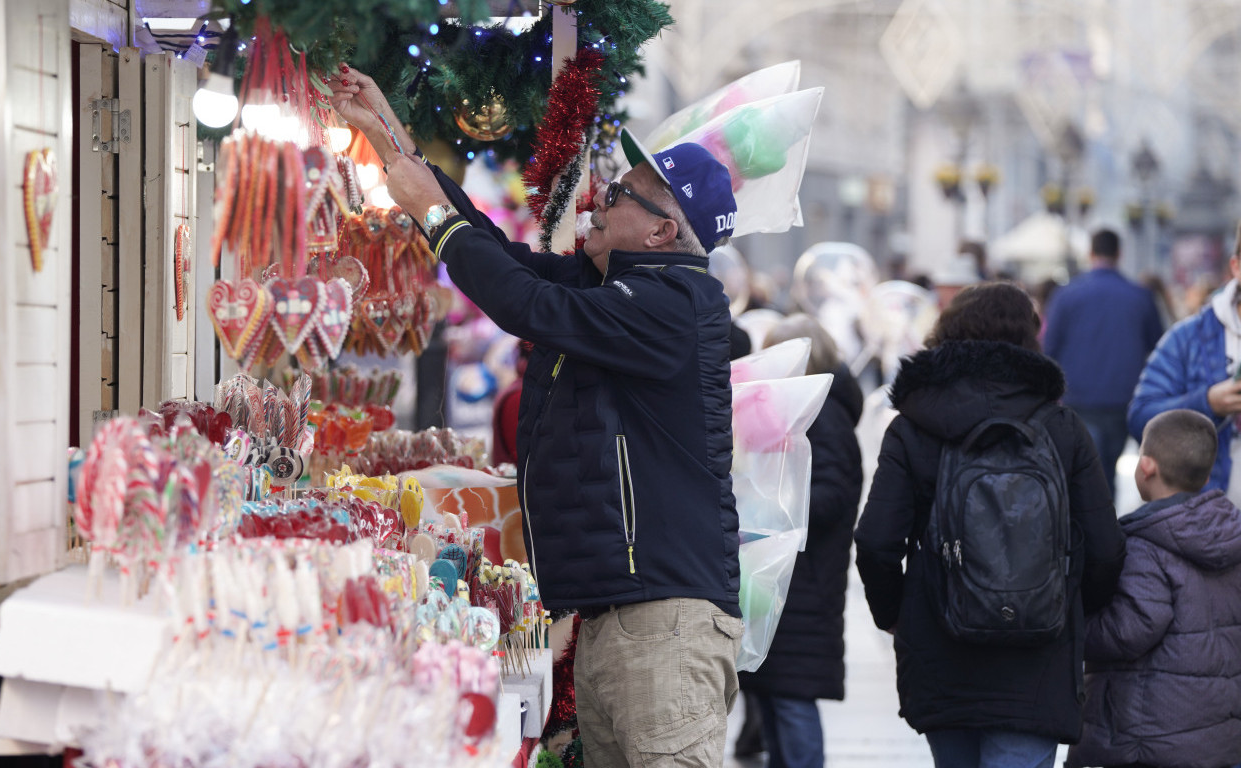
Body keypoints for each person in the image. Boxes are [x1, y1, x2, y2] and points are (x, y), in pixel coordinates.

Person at [330, 68, 744, 768]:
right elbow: (502, 258)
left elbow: (525, 304)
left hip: (665, 623)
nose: (601, 199)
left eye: (621, 194)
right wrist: (391, 140)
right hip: (618, 616)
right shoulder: (615, 285)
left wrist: (433, 216)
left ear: (662, 230)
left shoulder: (674, 307)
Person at [853, 282, 1126, 768]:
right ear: (1029, 340)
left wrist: (897, 614)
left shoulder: (913, 426)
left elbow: (876, 541)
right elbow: (1106, 547)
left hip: (940, 646)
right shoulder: (1063, 429)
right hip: (1037, 657)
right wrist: (1067, 607)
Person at [1066, 409, 1241, 768]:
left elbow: (1130, 628)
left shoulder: (1147, 544)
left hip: (1148, 734)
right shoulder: (1231, 538)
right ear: (1207, 473)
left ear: (1145, 467)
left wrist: (1075, 631)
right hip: (1216, 737)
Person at [737, 314, 863, 768]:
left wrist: (771, 504)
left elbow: (832, 496)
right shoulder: (792, 413)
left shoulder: (823, 417)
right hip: (782, 577)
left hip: (804, 581)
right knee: (774, 698)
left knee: (791, 699)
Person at [1045, 228, 1164, 497]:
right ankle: (1107, 518)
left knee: (1084, 473)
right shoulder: (1140, 296)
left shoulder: (1066, 295)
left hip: (1078, 398)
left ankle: (1091, 520)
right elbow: (1158, 349)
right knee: (1107, 471)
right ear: (1119, 254)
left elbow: (1049, 348)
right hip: (1123, 399)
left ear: (1090, 253)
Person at [1129, 224, 1241, 505]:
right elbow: (1141, 418)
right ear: (1236, 267)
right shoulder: (1188, 338)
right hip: (1203, 513)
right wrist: (1207, 403)